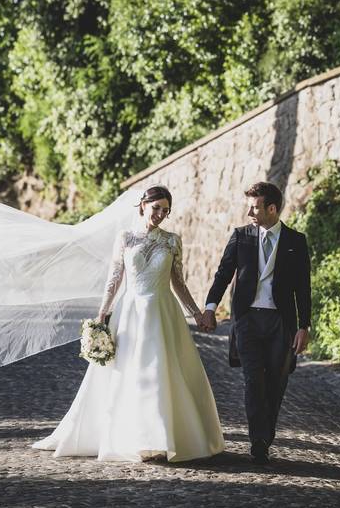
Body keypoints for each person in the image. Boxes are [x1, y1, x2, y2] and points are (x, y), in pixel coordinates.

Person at [32, 186, 225, 462]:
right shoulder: (125, 238)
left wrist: (196, 313)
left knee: (161, 371)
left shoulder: (172, 241)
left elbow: (178, 283)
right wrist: (102, 313)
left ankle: (161, 439)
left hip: (162, 312)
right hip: (130, 312)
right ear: (143, 205)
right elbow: (114, 278)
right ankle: (134, 438)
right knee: (128, 372)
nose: (160, 214)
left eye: (165, 210)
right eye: (156, 207)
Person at [201, 181, 311, 465]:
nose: (249, 211)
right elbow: (223, 274)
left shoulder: (296, 242)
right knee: (253, 381)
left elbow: (303, 286)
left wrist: (304, 326)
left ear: (271, 208)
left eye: (255, 207)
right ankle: (258, 441)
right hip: (247, 320)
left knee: (277, 382)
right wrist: (210, 307)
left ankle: (266, 433)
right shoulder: (241, 236)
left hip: (280, 323)